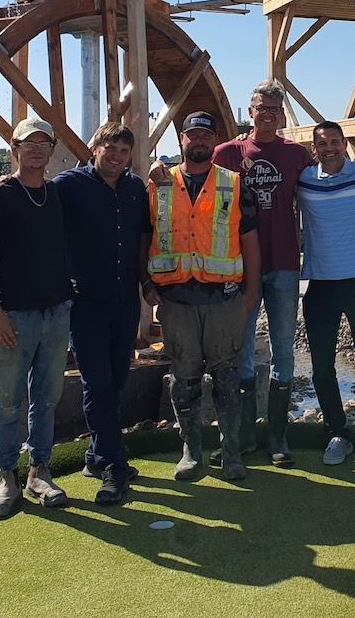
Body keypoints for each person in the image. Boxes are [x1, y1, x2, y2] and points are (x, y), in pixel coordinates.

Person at [144, 111, 260, 481]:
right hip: (177, 302)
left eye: (205, 137)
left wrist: (249, 295)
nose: (199, 142)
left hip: (223, 300)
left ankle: (230, 453)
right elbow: (144, 236)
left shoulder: (236, 184)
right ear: (181, 139)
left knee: (227, 378)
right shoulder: (158, 184)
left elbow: (250, 243)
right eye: (192, 136)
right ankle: (191, 451)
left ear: (215, 141)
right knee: (184, 378)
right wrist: (146, 284)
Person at [0, 117, 74, 520]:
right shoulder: (0, 197)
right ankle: (7, 477)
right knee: (8, 400)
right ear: (14, 149)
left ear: (51, 151)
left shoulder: (57, 194)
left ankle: (40, 471)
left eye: (43, 144)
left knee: (47, 397)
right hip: (14, 313)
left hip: (56, 311)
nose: (36, 150)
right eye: (28, 144)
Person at [211, 79, 314, 468]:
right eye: (261, 108)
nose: (267, 115)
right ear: (249, 111)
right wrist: (159, 169)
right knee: (242, 354)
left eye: (274, 109)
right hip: (240, 268)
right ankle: (244, 435)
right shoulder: (228, 153)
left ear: (282, 114)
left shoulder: (297, 155)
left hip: (285, 265)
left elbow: (331, 176)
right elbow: (191, 177)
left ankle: (278, 437)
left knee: (284, 351)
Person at [52, 121, 148, 505]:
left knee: (118, 379)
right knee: (98, 383)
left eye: (124, 152)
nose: (117, 157)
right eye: (110, 149)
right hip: (87, 303)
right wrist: (3, 186)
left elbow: (145, 236)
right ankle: (114, 468)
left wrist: (147, 282)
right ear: (95, 148)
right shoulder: (69, 186)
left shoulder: (134, 188)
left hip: (125, 300)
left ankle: (95, 455)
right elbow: (32, 200)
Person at [297, 120, 355, 467]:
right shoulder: (303, 179)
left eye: (335, 142)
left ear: (345, 143)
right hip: (320, 285)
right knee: (322, 365)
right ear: (314, 148)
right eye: (323, 144)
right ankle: (337, 432)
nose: (330, 148)